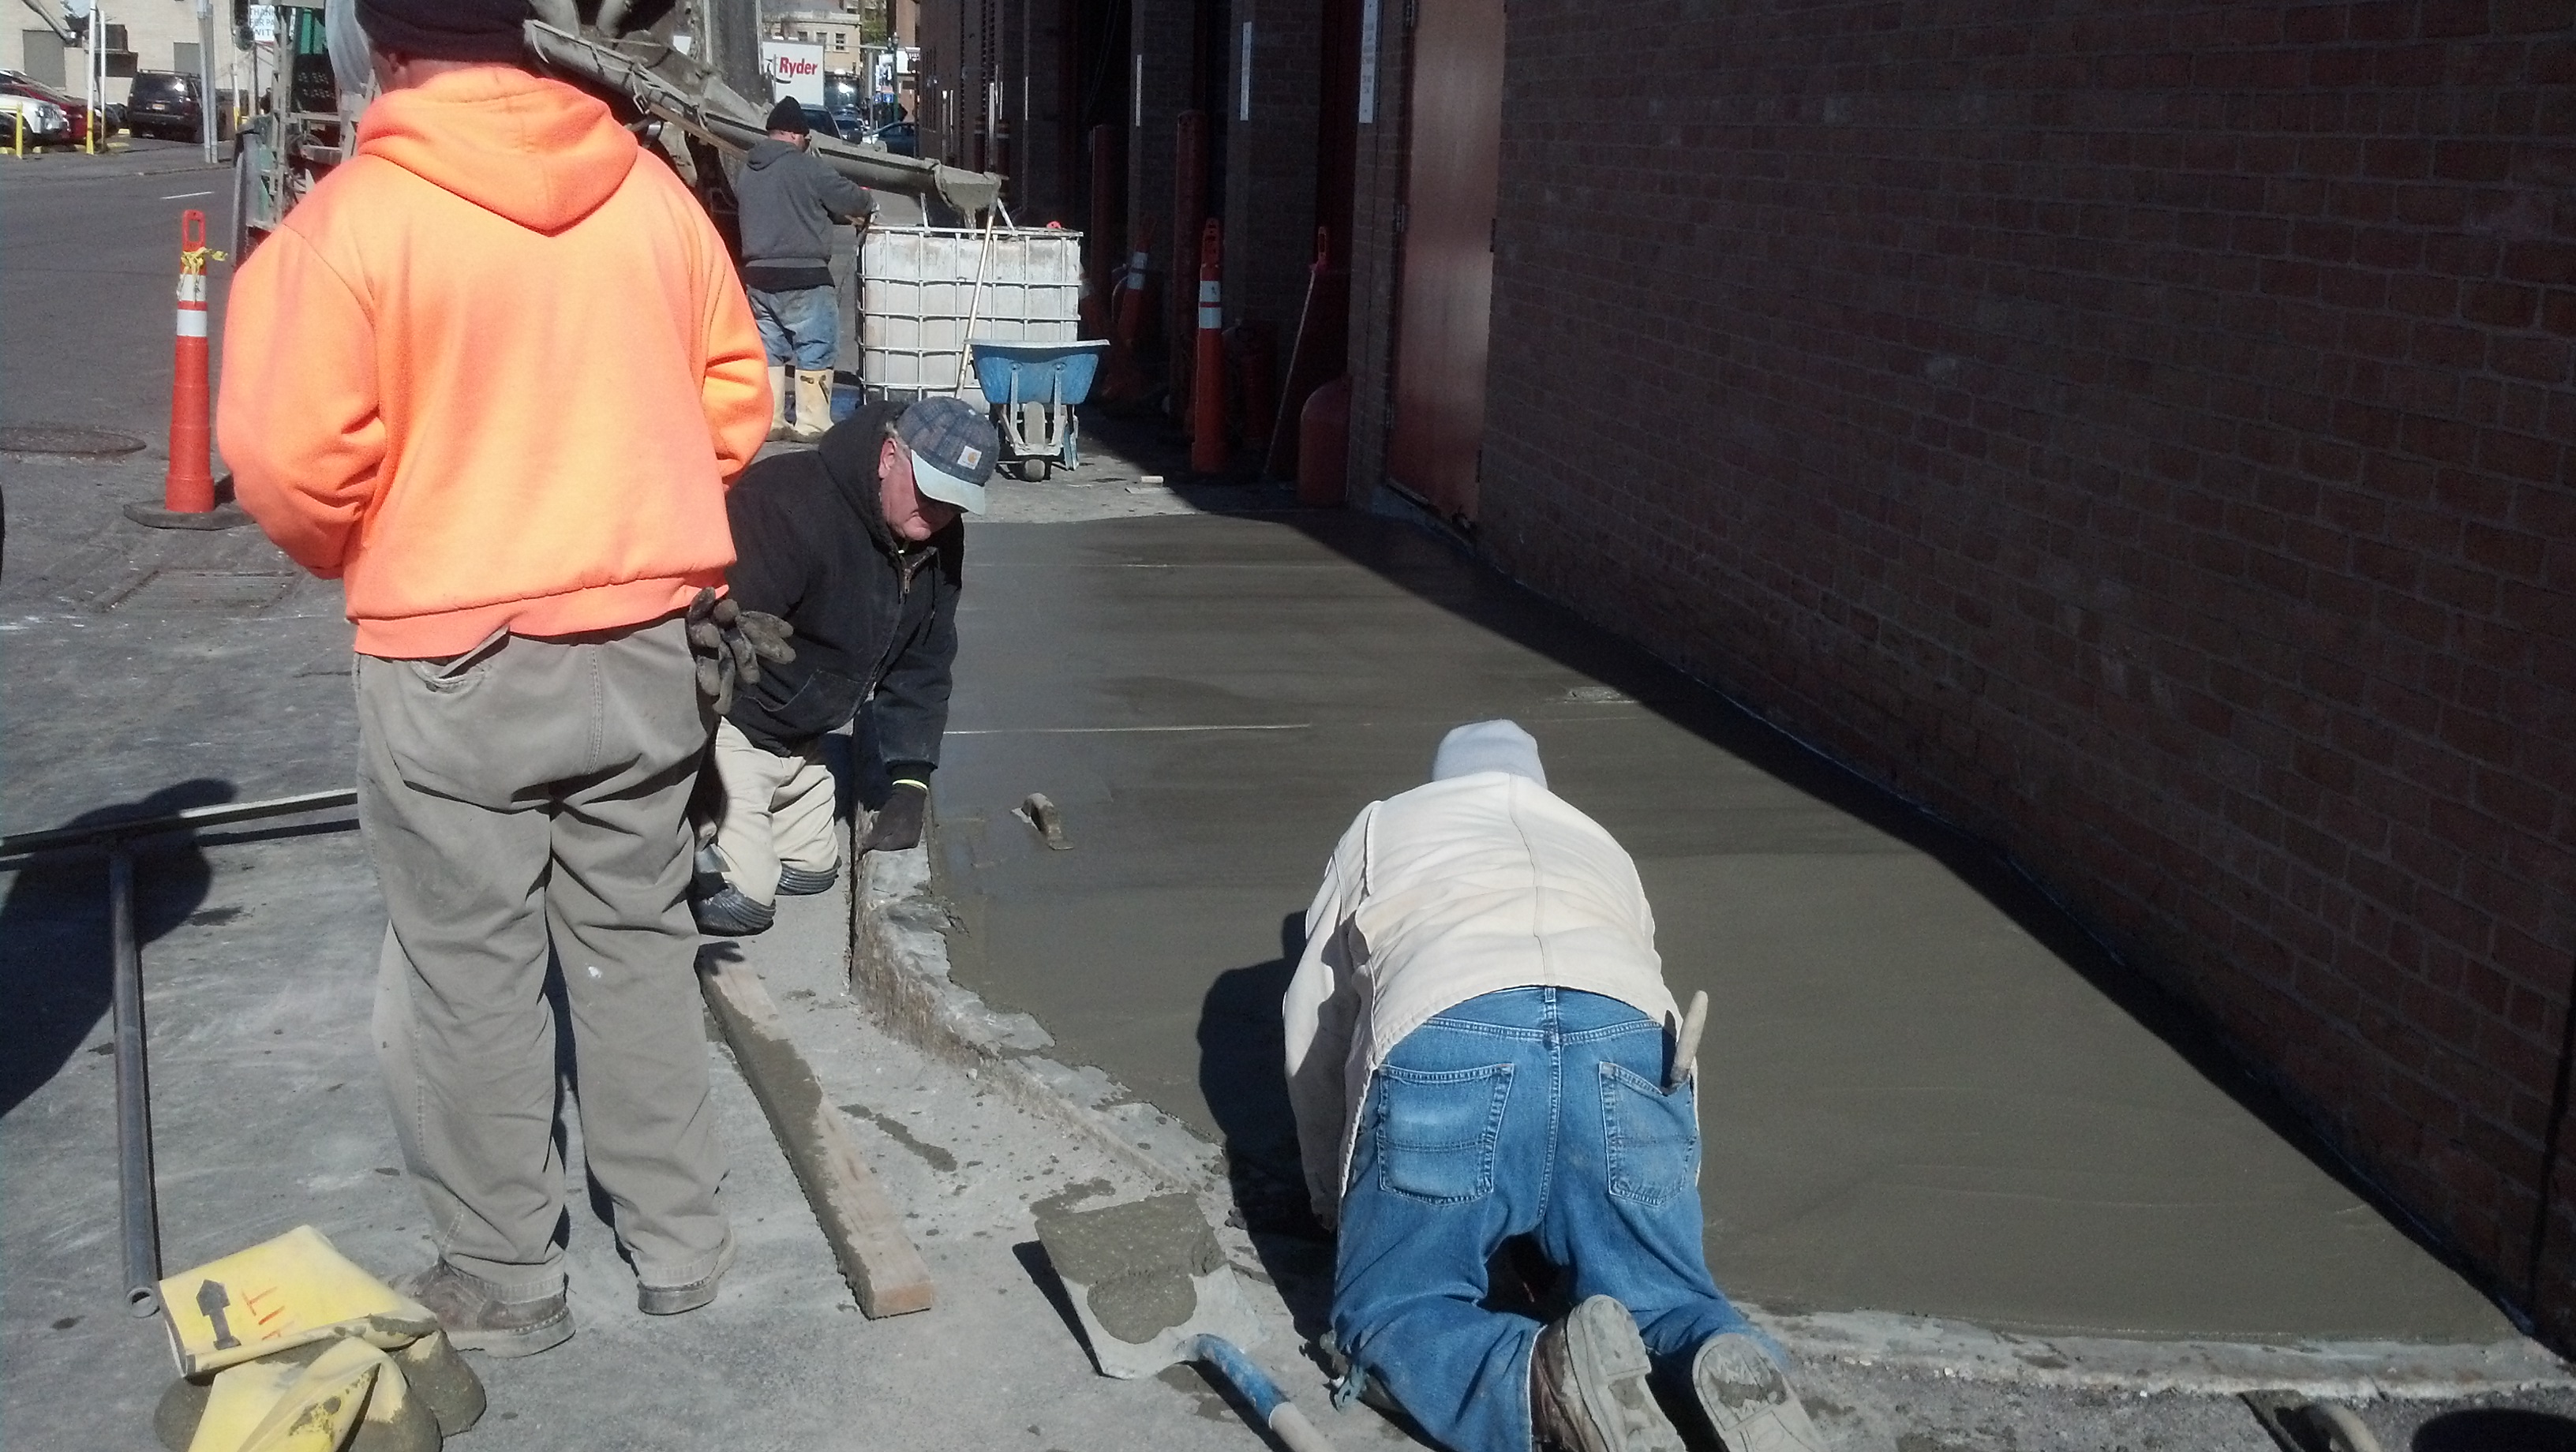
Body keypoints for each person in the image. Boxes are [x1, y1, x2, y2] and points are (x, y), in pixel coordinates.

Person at [217, 0, 772, 1357]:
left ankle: (509, 1274)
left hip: (452, 648)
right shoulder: (647, 196)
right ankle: (681, 1240)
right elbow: (731, 399)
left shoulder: (352, 224)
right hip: (647, 637)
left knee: (468, 969)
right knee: (635, 941)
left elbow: (289, 464)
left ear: (388, 53)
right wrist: (633, 512)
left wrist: (387, 543)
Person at [1284, 722, 1828, 1452]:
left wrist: (1334, 1197)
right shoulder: (1597, 841)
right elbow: (1644, 989)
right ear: (1541, 786)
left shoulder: (1386, 825)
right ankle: (1722, 1353)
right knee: (1664, 1297)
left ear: (1442, 781)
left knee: (1398, 1306)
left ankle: (1540, 1378)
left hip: (1452, 1021)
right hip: (1627, 1031)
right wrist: (1654, 1197)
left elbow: (1312, 1020)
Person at [690, 395, 997, 936]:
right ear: (887, 455)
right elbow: (714, 650)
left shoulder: (937, 537)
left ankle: (760, 817)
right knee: (746, 904)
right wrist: (695, 777)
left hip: (804, 733)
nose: (940, 513)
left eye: (957, 502)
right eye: (929, 492)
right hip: (736, 727)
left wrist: (911, 781)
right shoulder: (786, 502)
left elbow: (924, 660)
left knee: (814, 874)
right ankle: (689, 839)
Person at [737, 96, 877, 441]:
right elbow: (850, 198)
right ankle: (812, 423)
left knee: (769, 350)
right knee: (815, 346)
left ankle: (771, 420)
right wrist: (867, 204)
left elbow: (789, 206)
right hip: (805, 276)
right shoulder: (807, 167)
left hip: (757, 278)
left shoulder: (747, 170)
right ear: (797, 136)